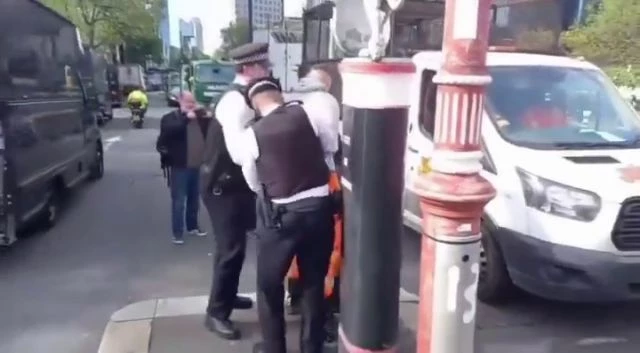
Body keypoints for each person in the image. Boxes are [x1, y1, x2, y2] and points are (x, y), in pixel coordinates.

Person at [236, 76, 339, 353]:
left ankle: (274, 348)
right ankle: (311, 347)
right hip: (319, 209)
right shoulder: (310, 114)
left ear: (255, 106)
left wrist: (271, 190)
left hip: (282, 216)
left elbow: (252, 178)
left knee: (269, 285)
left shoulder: (252, 134)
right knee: (313, 282)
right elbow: (330, 146)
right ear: (279, 95)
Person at [200, 42, 271, 340]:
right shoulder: (235, 102)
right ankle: (216, 313)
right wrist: (260, 187)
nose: (268, 69)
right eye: (264, 65)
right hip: (223, 187)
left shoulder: (246, 97)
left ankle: (226, 297)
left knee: (233, 249)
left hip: (234, 185)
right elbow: (241, 153)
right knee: (231, 250)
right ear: (251, 68)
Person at [285, 65, 342, 337]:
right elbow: (331, 144)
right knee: (328, 250)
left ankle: (294, 296)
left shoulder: (289, 99)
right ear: (326, 85)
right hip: (322, 180)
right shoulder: (325, 102)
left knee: (294, 248)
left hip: (289, 183)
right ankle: (323, 312)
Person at [155, 92, 207, 244]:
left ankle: (192, 227)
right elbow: (169, 132)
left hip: (197, 165)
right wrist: (186, 118)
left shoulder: (198, 118)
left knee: (194, 199)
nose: (191, 104)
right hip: (179, 166)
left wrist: (204, 113)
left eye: (193, 101)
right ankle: (177, 232)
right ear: (180, 102)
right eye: (187, 102)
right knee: (179, 201)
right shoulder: (171, 118)